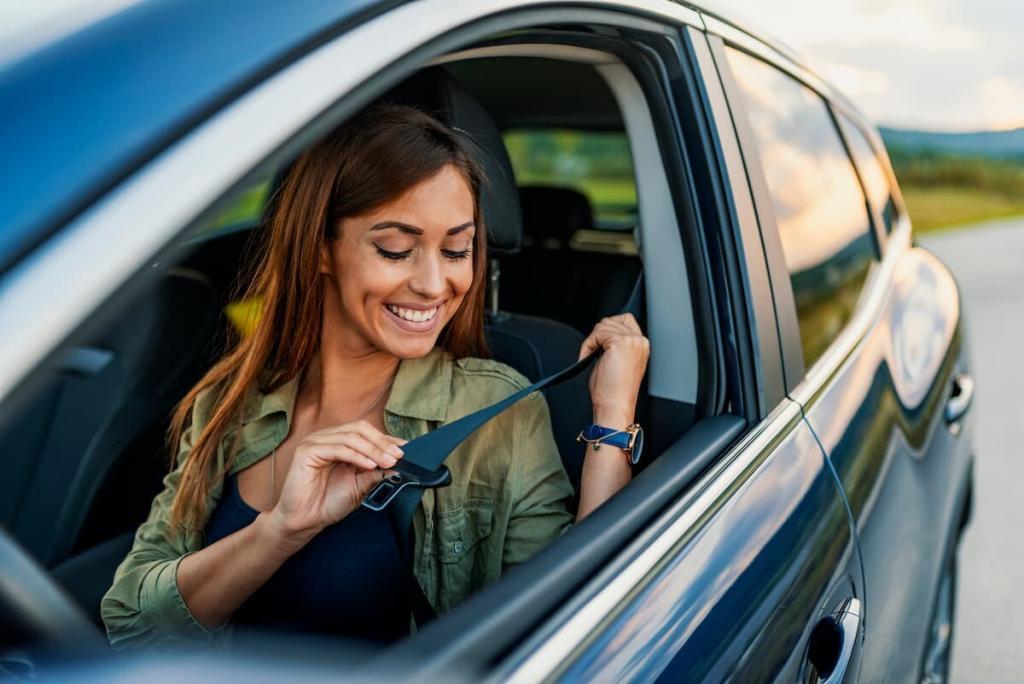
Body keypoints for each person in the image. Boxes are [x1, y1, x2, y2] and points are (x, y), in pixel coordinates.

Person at [100, 102, 649, 652]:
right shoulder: (230, 400)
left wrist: (612, 419)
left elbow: (579, 622)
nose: (435, 284)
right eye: (396, 249)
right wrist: (279, 531)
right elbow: (132, 623)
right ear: (319, 248)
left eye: (457, 249)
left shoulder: (497, 408)